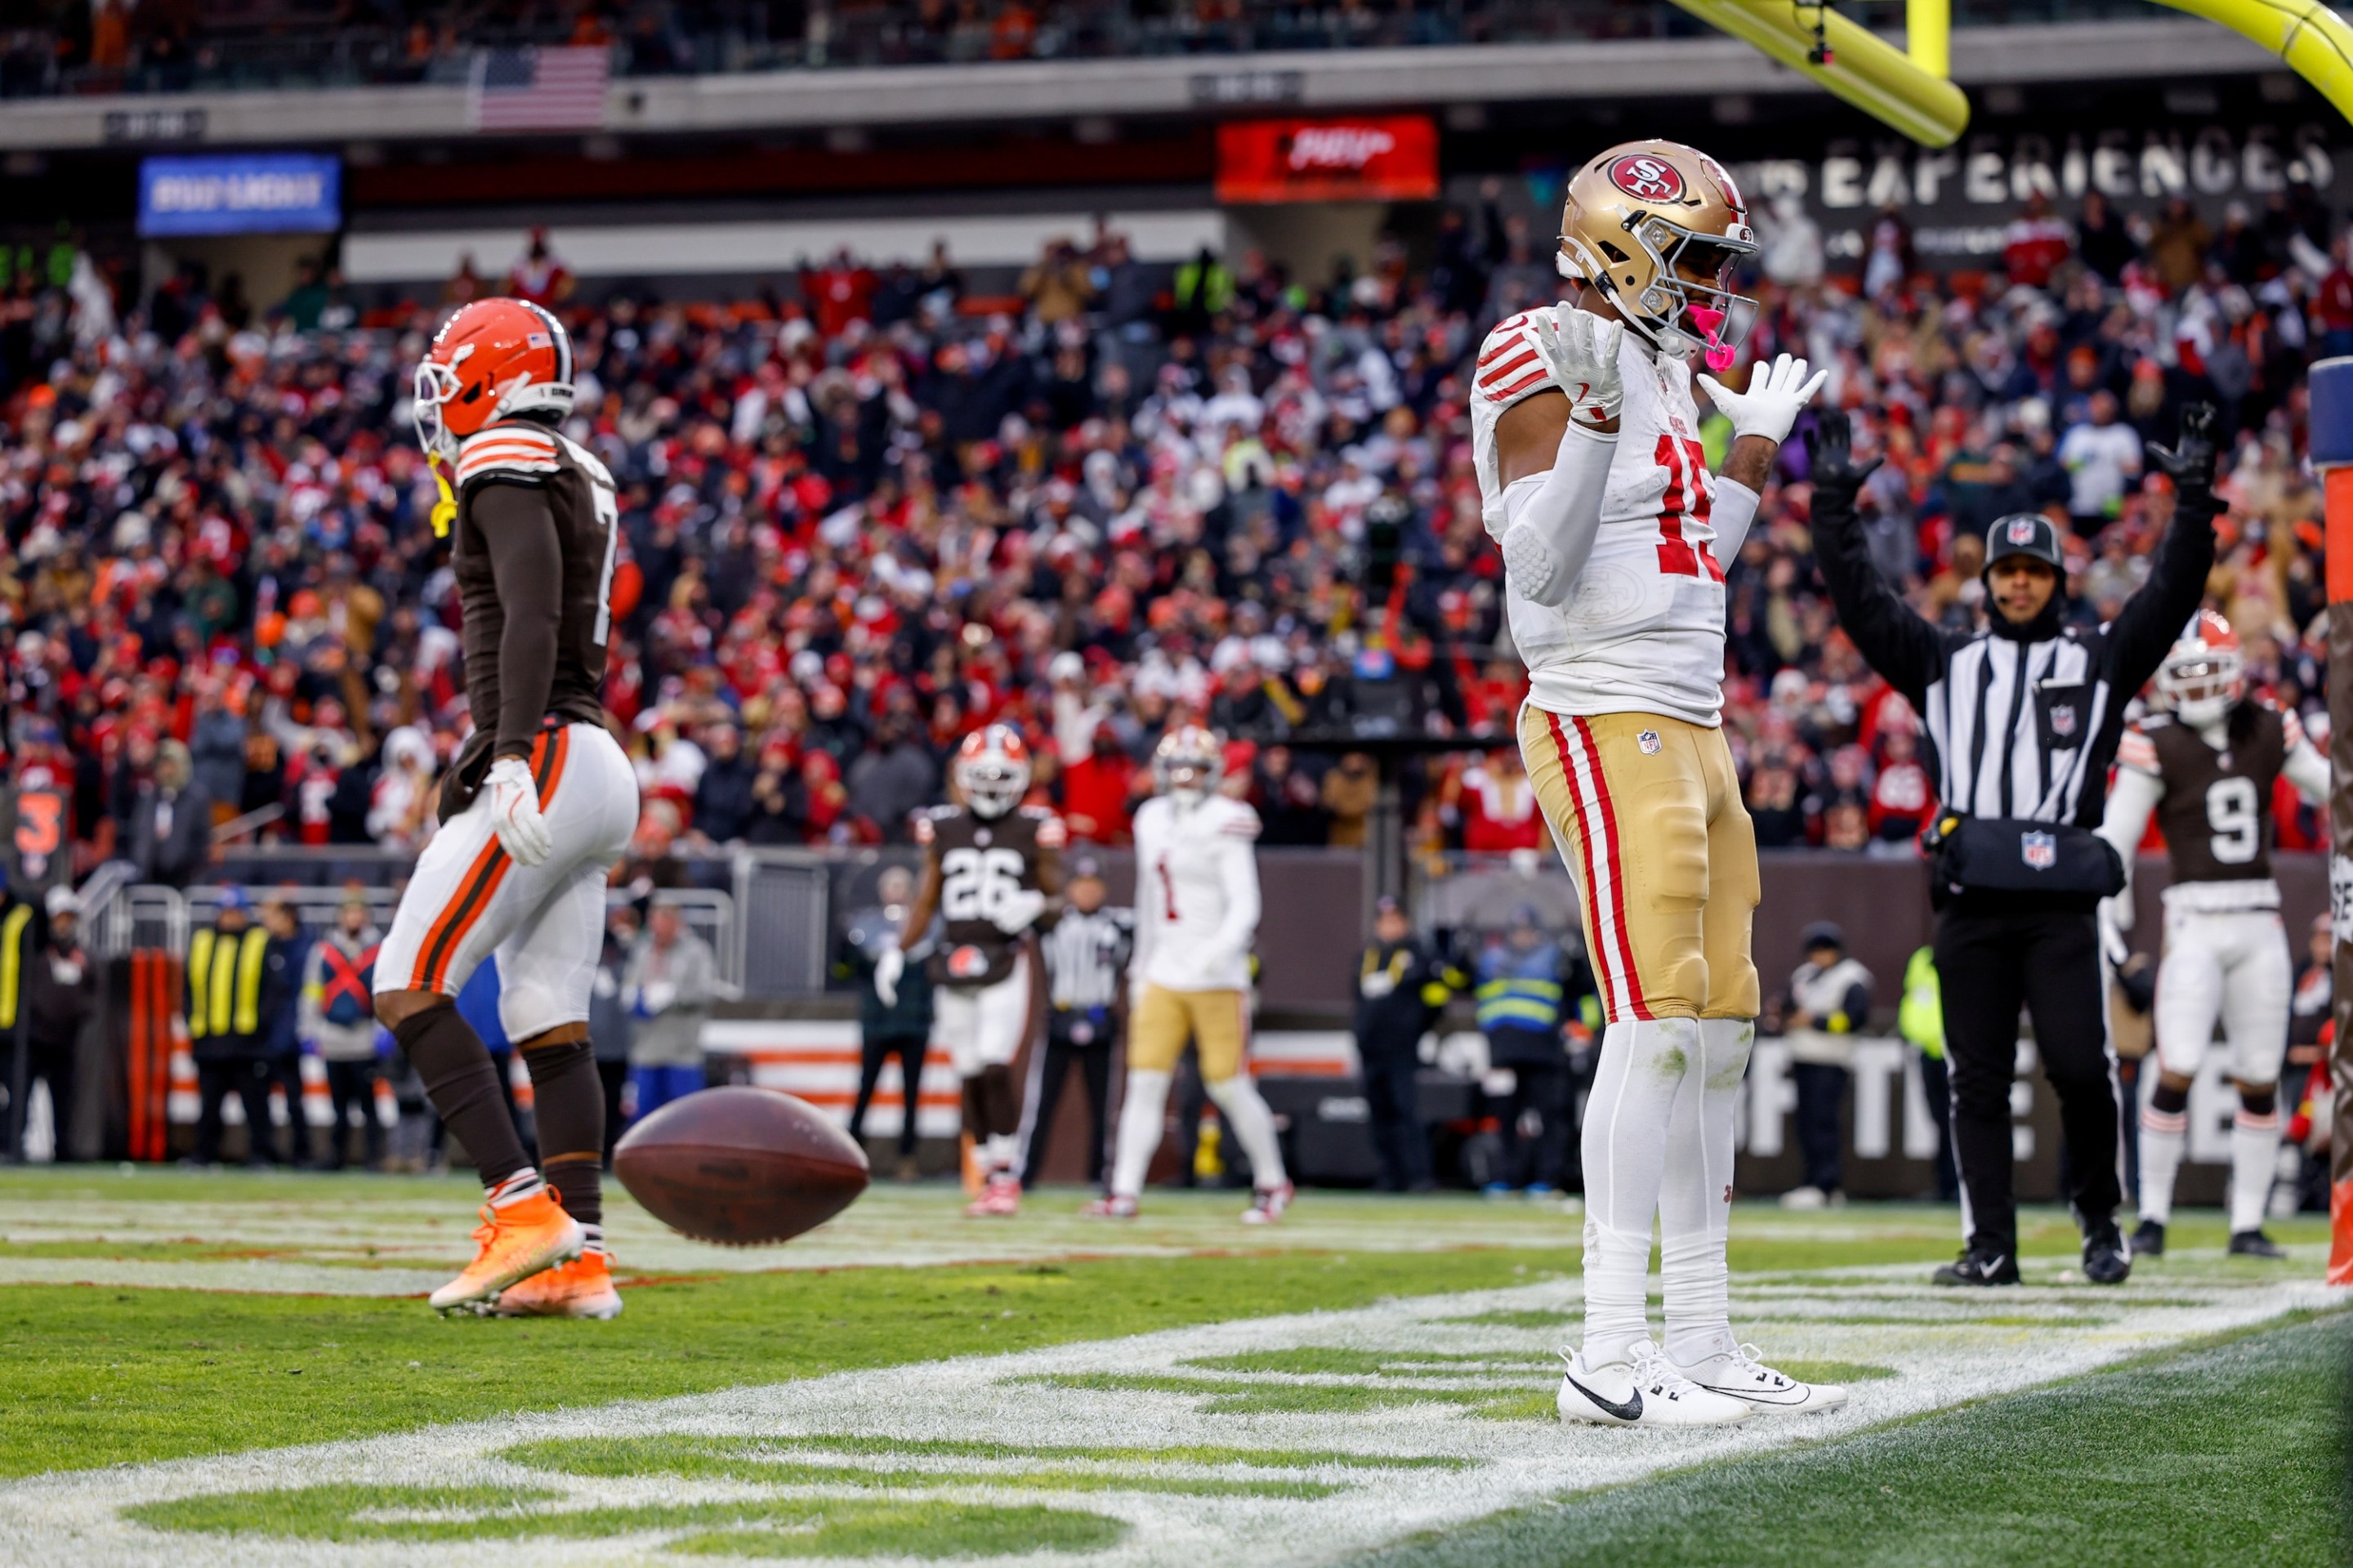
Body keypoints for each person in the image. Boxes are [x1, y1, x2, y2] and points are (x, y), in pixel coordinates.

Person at [1477, 139, 1836, 1425]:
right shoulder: (1541, 348)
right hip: (1596, 706)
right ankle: (1605, 1347)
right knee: (1652, 1021)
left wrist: (1753, 456)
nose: (1707, 287)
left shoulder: (1676, 367)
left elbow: (1693, 566)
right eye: (1691, 257)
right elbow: (1542, 571)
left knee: (1720, 1031)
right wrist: (1588, 425)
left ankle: (1701, 1330)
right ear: (1622, 243)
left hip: (1694, 717)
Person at [1806, 402, 2221, 1289]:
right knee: (1977, 1080)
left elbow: (2171, 595)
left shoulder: (2099, 660)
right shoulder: (1946, 661)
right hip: (1973, 901)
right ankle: (1989, 1243)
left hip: (2061, 904)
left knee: (2082, 1067)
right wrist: (1833, 507)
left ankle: (2100, 1222)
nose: (2020, 584)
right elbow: (1862, 603)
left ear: (2056, 579)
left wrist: (2192, 504)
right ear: (1987, 581)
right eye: (2008, 571)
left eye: (2035, 570)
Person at [372, 297, 641, 1320]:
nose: (438, 411)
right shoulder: (581, 467)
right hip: (597, 758)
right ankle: (580, 1257)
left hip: (553, 753)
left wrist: (513, 750)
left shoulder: (508, 453)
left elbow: (528, 609)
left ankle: (521, 1210)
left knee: (406, 975)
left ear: (487, 378)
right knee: (544, 1014)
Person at [2098, 611, 2328, 1260]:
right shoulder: (2155, 739)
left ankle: (2247, 1223)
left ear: (2234, 672)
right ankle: (2152, 1216)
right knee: (2178, 1065)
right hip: (2193, 919)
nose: (2198, 686)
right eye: (2186, 673)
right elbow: (2115, 848)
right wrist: (2117, 948)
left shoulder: (2267, 725)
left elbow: (2333, 794)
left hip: (2258, 916)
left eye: (2209, 670)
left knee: (2259, 1073)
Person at [1087, 726, 1293, 1223]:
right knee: (1144, 1083)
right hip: (1162, 971)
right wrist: (1142, 964)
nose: (1184, 777)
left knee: (1227, 1084)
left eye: (1194, 768)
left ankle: (1272, 1182)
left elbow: (1246, 904)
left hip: (1217, 975)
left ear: (1212, 773)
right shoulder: (1151, 818)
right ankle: (1124, 1192)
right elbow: (1148, 898)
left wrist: (1217, 952)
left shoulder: (1229, 818)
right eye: (1176, 767)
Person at [879, 725, 1064, 1217]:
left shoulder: (1034, 827)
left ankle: (1006, 1172)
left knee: (993, 1061)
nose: (993, 784)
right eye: (984, 774)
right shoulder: (943, 827)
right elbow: (927, 896)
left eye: (1003, 774)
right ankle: (985, 1169)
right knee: (965, 1067)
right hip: (954, 957)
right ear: (963, 777)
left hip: (1005, 956)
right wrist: (901, 949)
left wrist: (1037, 904)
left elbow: (1058, 903)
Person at [1025, 855, 1131, 1191]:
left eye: (1093, 885)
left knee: (1104, 1106)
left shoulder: (1120, 925)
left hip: (1100, 1017)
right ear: (1070, 888)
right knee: (1042, 1103)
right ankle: (1024, 1174)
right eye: (1080, 885)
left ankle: (1102, 1175)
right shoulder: (1052, 922)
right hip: (1061, 1015)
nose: (1087, 892)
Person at [1352, 896, 1457, 1194]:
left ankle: (1419, 1176)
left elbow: (1437, 997)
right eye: (1384, 920)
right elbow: (1359, 1000)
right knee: (1379, 1113)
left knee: (1405, 1111)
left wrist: (1418, 1029)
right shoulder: (1367, 956)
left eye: (1395, 920)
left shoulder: (1420, 955)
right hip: (1371, 1048)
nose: (1390, 926)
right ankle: (1390, 1173)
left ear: (1405, 923)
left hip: (1401, 1048)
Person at [1475, 909, 1581, 1198]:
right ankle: (1506, 1178)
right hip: (1503, 1054)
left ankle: (1548, 1179)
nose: (1522, 936)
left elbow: (1577, 991)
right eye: (1518, 931)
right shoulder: (1491, 960)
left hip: (1544, 1054)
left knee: (1551, 1118)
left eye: (1528, 930)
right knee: (1504, 1119)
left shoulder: (1556, 958)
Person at [841, 866, 935, 1180]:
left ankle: (907, 1158)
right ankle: (850, 1155)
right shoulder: (867, 925)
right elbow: (847, 966)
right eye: (890, 885)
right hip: (877, 1021)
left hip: (913, 1021)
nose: (895, 891)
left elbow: (930, 965)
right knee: (865, 1089)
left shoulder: (924, 926)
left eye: (900, 885)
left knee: (911, 1095)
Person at [1771, 922, 1873, 1210]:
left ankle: (1826, 1185)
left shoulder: (1852, 977)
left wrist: (1816, 1021)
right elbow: (1788, 1002)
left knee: (1823, 1124)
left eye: (1825, 951)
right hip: (1802, 1057)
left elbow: (1854, 1018)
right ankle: (1813, 1182)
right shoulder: (1804, 976)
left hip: (1831, 1060)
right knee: (1805, 1124)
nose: (1819, 957)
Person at [186, 888, 283, 1168]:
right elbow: (188, 988)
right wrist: (191, 1019)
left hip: (248, 1040)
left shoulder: (260, 941)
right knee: (209, 1104)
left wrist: (262, 1024)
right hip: (210, 1038)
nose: (229, 919)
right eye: (225, 912)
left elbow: (274, 990)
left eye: (234, 913)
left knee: (255, 1104)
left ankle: (262, 1154)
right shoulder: (203, 941)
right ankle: (204, 1153)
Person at [300, 892, 383, 1171]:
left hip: (364, 1037)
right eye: (349, 913)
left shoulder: (379, 951)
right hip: (332, 1038)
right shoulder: (323, 951)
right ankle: (336, 1156)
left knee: (368, 1105)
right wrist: (308, 1030)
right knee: (338, 1106)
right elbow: (312, 991)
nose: (354, 919)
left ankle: (374, 1157)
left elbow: (384, 993)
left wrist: (384, 1030)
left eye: (359, 913)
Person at [623, 902, 717, 1119]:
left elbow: (706, 992)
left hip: (682, 1053)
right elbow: (630, 983)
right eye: (654, 925)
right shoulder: (644, 949)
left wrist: (673, 996)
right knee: (643, 1119)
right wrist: (631, 994)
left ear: (676, 924)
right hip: (646, 1051)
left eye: (663, 925)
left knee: (686, 1119)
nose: (658, 932)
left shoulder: (696, 951)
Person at [21, 887, 93, 1160]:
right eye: (60, 917)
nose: (64, 923)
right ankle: (14, 1147)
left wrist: (81, 1014)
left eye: (69, 917)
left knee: (64, 1099)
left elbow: (91, 993)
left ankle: (63, 1151)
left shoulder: (81, 955)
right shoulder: (36, 951)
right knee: (22, 1097)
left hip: (66, 1038)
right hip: (36, 1035)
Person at [1898, 945, 1958, 1203]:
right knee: (1940, 1122)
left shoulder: (1962, 954)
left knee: (1959, 1122)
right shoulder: (1922, 959)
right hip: (1927, 1051)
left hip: (1954, 1051)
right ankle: (1944, 1184)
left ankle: (1959, 1185)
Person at [260, 900, 313, 1166]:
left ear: (288, 917)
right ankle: (265, 1151)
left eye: (271, 915)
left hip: (289, 1034)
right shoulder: (266, 946)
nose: (266, 921)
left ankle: (301, 1152)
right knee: (261, 1097)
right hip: (266, 1034)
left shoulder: (305, 948)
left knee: (294, 1098)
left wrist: (301, 1030)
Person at [587, 905, 636, 1164]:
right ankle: (595, 1152)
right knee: (591, 1103)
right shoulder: (592, 962)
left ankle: (607, 1152)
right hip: (593, 1046)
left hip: (617, 1047)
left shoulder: (628, 960)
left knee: (613, 1102)